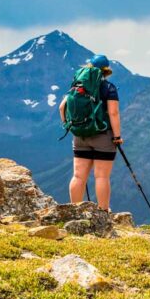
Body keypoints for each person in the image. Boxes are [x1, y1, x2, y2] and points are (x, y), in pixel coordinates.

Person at [61, 54, 121, 209]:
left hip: (80, 135)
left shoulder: (78, 86)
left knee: (78, 176)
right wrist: (117, 136)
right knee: (101, 176)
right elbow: (113, 113)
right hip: (102, 136)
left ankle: (74, 211)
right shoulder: (108, 88)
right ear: (106, 71)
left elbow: (62, 107)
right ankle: (103, 213)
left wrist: (68, 125)